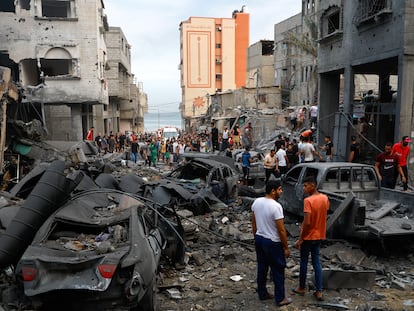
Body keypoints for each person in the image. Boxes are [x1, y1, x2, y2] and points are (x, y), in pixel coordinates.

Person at [251, 180, 292, 307]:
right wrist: (286, 247)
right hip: (272, 242)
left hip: (260, 238)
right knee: (278, 269)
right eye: (279, 189)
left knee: (262, 267)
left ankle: (263, 293)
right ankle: (280, 298)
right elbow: (281, 230)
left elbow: (253, 222)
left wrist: (256, 235)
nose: (281, 192)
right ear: (273, 191)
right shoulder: (276, 206)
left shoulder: (257, 202)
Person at [293, 176, 330, 302]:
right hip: (320, 235)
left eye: (306, 185)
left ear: (313, 185)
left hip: (309, 236)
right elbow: (325, 212)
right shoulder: (325, 198)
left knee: (304, 261)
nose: (304, 188)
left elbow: (307, 222)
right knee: (316, 263)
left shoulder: (308, 201)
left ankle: (302, 287)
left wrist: (301, 239)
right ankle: (319, 291)